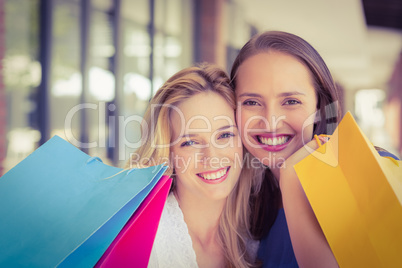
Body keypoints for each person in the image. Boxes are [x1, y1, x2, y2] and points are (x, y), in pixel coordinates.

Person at [128, 63, 259, 268]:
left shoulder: (250, 240)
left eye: (224, 135)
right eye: (190, 142)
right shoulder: (144, 244)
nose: (212, 157)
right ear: (168, 155)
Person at [230, 31, 342, 268]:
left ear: (320, 106)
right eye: (251, 102)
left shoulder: (361, 176)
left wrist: (291, 178)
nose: (270, 122)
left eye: (291, 101)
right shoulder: (244, 202)